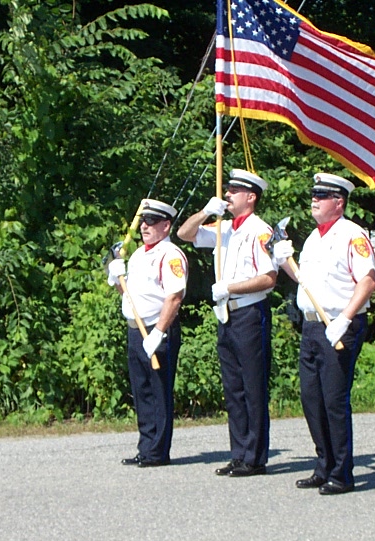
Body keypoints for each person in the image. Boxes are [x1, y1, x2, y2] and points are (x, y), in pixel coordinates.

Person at [273, 173, 375, 495]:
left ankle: (342, 473)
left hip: (339, 326)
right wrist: (283, 259)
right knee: (311, 399)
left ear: (339, 202)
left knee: (333, 400)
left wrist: (344, 319)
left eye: (322, 195)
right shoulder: (313, 239)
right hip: (312, 325)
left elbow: (368, 280)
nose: (314, 199)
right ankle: (324, 465)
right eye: (314, 194)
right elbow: (305, 280)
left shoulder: (352, 235)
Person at [177, 169, 277, 477]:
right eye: (228, 189)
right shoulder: (226, 229)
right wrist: (205, 212)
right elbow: (185, 234)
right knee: (233, 388)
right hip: (226, 314)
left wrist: (231, 288)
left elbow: (268, 278)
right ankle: (239, 452)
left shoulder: (260, 231)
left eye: (235, 191)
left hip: (248, 312)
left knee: (252, 387)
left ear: (251, 197)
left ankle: (255, 457)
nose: (229, 194)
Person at [107, 199, 187, 468]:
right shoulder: (140, 254)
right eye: (143, 222)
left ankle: (158, 452)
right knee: (141, 390)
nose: (145, 227)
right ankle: (146, 446)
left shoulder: (170, 254)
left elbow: (174, 297)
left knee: (158, 390)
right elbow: (129, 294)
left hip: (156, 329)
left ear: (166, 225)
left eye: (152, 222)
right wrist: (116, 276)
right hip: (135, 329)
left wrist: (159, 333)